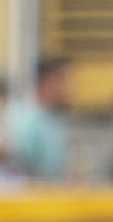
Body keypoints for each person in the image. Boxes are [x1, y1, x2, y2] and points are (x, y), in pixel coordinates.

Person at [7, 55, 73, 183]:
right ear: (51, 80)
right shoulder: (25, 119)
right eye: (67, 80)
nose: (72, 87)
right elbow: (22, 170)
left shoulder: (51, 119)